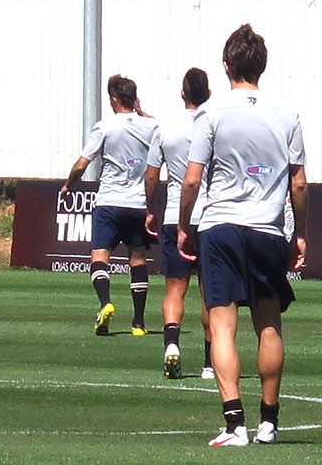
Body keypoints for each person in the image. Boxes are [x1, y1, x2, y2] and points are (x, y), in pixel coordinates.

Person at [177, 24, 308, 446]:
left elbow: (193, 180)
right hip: (267, 228)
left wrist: (184, 226)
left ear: (227, 64)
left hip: (221, 227)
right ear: (262, 66)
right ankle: (269, 422)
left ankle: (235, 425)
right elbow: (299, 184)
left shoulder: (211, 114)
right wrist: (298, 234)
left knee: (223, 325)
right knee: (269, 326)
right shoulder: (287, 115)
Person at [61, 74, 158, 336]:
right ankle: (138, 323)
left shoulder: (106, 126)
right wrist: (142, 112)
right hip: (137, 203)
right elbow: (160, 131)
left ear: (114, 99)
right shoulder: (151, 126)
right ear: (134, 98)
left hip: (109, 202)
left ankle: (105, 303)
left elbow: (82, 163)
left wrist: (70, 185)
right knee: (137, 258)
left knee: (100, 256)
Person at [145, 68, 213, 380]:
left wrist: (150, 209)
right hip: (210, 216)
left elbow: (151, 174)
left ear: (182, 93)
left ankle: (171, 344)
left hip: (175, 214)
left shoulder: (166, 126)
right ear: (208, 94)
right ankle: (211, 363)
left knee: (175, 288)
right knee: (211, 293)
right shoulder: (214, 122)